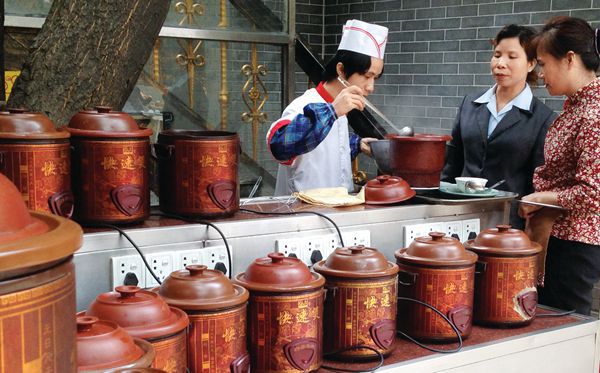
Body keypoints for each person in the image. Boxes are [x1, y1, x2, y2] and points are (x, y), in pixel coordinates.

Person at [519, 16, 600, 315]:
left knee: (565, 327)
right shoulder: (576, 106)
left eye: (543, 63)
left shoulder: (593, 114)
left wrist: (542, 197)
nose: (540, 73)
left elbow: (594, 193)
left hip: (573, 246)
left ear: (569, 59)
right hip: (557, 238)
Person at [441, 24, 557, 229]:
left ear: (531, 63)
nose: (500, 63)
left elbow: (537, 185)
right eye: (497, 55)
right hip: (458, 217)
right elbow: (453, 162)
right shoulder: (470, 103)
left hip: (507, 225)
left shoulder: (542, 119)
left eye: (512, 57)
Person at [267, 20, 386, 196]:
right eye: (367, 76)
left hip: (336, 215)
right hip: (302, 216)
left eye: (375, 78)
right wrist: (333, 111)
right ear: (341, 70)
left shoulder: (340, 109)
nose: (370, 87)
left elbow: (327, 150)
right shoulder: (302, 105)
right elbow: (278, 146)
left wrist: (357, 145)